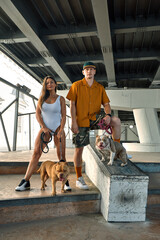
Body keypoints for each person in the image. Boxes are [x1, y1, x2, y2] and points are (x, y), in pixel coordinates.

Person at [66, 62, 121, 190]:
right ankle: (79, 178)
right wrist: (73, 121)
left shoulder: (99, 87)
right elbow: (72, 105)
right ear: (83, 72)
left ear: (95, 72)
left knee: (116, 121)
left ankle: (116, 150)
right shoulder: (76, 85)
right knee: (79, 149)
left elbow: (106, 104)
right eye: (86, 69)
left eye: (91, 69)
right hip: (81, 120)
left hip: (95, 117)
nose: (89, 71)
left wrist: (107, 115)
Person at [15, 76, 71, 191]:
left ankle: (65, 182)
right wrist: (44, 127)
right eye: (47, 83)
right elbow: (38, 115)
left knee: (62, 157)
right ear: (45, 86)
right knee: (36, 154)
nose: (49, 84)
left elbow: (64, 116)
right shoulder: (41, 98)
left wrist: (60, 131)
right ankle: (25, 181)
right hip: (45, 130)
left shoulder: (60, 99)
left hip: (58, 129)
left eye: (51, 82)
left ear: (55, 84)